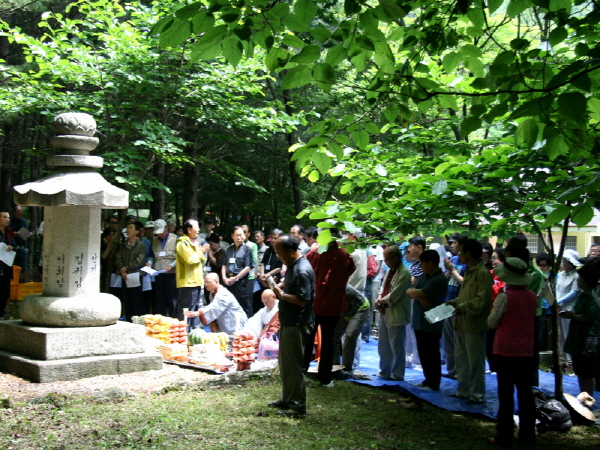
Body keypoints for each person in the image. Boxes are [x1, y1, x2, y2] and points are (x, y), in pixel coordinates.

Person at [487, 257, 537, 447]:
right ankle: (527, 435)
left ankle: (504, 435)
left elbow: (492, 322)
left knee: (505, 396)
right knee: (526, 395)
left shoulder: (504, 297)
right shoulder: (532, 296)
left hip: (506, 351)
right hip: (526, 351)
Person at [269, 235, 315, 418]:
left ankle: (297, 406)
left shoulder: (302, 269)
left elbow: (304, 301)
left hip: (298, 323)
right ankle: (287, 398)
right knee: (286, 363)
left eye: (279, 253)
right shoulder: (294, 266)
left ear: (290, 251)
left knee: (294, 365)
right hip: (289, 321)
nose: (278, 257)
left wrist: (281, 294)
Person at [305, 227, 356, 387]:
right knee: (328, 341)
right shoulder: (343, 254)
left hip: (315, 302)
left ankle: (301, 372)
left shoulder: (315, 253)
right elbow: (350, 269)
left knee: (307, 339)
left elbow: (305, 267)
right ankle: (325, 378)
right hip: (333, 304)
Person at [446, 238, 492, 404]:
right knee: (462, 360)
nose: (458, 253)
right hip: (461, 323)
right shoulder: (469, 271)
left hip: (474, 325)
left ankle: (477, 394)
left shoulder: (482, 273)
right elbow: (464, 297)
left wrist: (463, 307)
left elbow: (482, 300)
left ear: (469, 254)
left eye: (461, 251)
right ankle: (463, 390)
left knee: (475, 362)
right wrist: (452, 303)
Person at [407, 249, 449, 391]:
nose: (421, 267)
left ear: (430, 263)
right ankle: (428, 379)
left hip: (432, 322)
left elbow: (417, 292)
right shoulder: (425, 276)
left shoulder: (439, 279)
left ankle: (433, 382)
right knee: (424, 353)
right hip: (420, 321)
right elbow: (410, 291)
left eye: (423, 263)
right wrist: (421, 296)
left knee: (432, 354)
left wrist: (419, 294)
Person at [561, 263, 600, 396]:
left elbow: (589, 316)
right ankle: (582, 394)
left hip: (587, 337)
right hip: (577, 336)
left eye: (580, 278)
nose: (578, 281)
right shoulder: (582, 295)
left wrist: (573, 316)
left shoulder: (594, 296)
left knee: (587, 371)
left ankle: (588, 397)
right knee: (580, 370)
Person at [375, 245, 411, 381]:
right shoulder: (390, 270)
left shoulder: (404, 273)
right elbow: (383, 288)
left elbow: (395, 294)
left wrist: (379, 303)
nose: (385, 261)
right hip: (384, 310)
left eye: (387, 259)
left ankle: (397, 374)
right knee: (383, 344)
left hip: (396, 312)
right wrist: (379, 300)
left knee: (397, 345)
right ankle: (385, 370)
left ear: (395, 258)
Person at [442, 233, 467, 380]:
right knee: (448, 341)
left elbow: (464, 282)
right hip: (447, 301)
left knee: (459, 340)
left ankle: (460, 371)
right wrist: (447, 269)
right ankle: (451, 370)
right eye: (450, 243)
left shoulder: (466, 262)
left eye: (454, 243)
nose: (451, 245)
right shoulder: (452, 259)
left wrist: (452, 270)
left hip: (458, 304)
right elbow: (446, 278)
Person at [176, 219, 209, 328]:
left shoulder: (194, 242)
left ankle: (193, 333)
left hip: (197, 281)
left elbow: (199, 260)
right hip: (188, 283)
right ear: (189, 230)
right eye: (197, 227)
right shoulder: (182, 243)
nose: (199, 230)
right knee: (187, 310)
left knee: (195, 310)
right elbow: (190, 259)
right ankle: (183, 334)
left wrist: (200, 253)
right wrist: (201, 252)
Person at [332, 283, 370, 375]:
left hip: (360, 307)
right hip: (345, 310)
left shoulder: (343, 288)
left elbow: (346, 307)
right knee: (333, 337)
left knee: (349, 336)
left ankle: (347, 369)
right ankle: (335, 367)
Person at [114, 221, 147, 321]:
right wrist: (122, 270)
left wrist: (126, 267)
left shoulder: (141, 245)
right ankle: (128, 319)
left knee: (137, 300)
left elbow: (139, 261)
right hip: (125, 276)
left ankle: (138, 321)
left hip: (136, 275)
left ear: (137, 231)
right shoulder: (123, 245)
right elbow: (118, 257)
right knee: (126, 299)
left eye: (131, 228)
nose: (128, 230)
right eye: (127, 228)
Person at [557, 248, 581, 369]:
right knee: (560, 335)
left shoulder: (576, 276)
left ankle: (571, 362)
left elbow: (574, 292)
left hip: (569, 308)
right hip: (559, 307)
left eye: (565, 261)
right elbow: (557, 289)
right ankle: (562, 360)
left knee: (568, 334)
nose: (563, 263)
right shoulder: (561, 275)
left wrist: (560, 301)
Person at [222, 226, 254, 317]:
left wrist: (235, 278)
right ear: (232, 236)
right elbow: (224, 265)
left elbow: (248, 267)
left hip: (241, 282)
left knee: (243, 305)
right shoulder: (229, 249)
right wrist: (224, 278)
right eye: (237, 235)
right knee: (229, 305)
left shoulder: (247, 250)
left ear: (244, 236)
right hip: (228, 281)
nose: (239, 237)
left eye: (241, 235)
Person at [151, 219, 178, 317]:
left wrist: (172, 265)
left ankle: (174, 320)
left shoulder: (176, 239)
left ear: (166, 228)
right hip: (158, 273)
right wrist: (149, 263)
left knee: (172, 299)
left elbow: (179, 257)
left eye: (161, 232)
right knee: (159, 300)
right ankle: (160, 320)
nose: (159, 234)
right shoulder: (154, 240)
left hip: (171, 274)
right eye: (157, 232)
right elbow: (151, 255)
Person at [0, 211, 15, 318]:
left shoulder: (9, 232)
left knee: (5, 288)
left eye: (8, 218)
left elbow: (15, 244)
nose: (7, 219)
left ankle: (2, 311)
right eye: (4, 217)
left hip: (6, 263)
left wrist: (11, 246)